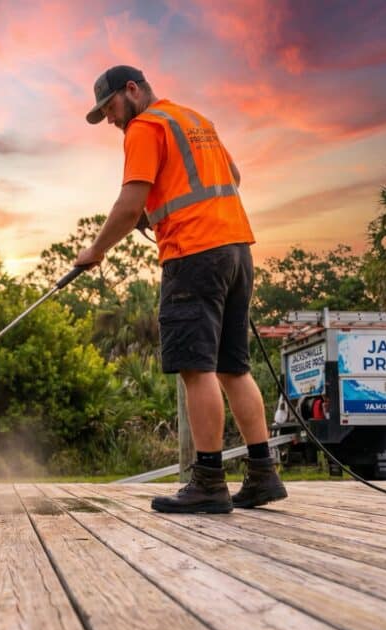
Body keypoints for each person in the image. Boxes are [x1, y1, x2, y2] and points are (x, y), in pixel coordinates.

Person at [75, 65, 287, 514]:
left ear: (131, 90)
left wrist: (94, 251)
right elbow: (232, 175)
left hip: (193, 255)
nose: (111, 120)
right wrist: (167, 208)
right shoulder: (193, 120)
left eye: (110, 107)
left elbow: (130, 204)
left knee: (197, 368)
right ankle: (264, 473)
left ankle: (209, 481)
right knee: (234, 368)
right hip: (236, 250)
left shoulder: (144, 126)